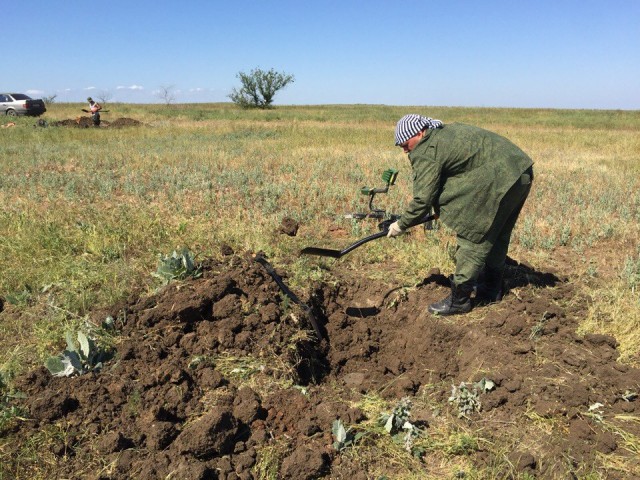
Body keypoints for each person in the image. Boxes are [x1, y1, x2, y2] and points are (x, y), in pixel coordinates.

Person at [387, 114, 534, 316]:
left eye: (405, 144)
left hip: (500, 179)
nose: (404, 150)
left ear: (420, 133)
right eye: (400, 146)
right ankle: (491, 290)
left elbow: (423, 199)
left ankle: (459, 300)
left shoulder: (427, 150)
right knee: (497, 235)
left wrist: (401, 224)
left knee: (474, 234)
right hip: (521, 172)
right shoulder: (444, 133)